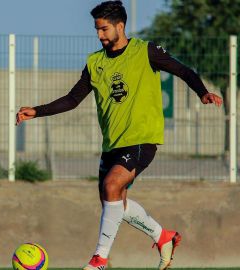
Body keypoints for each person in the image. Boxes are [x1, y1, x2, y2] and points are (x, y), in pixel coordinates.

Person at [16, 1, 222, 270]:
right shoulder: (95, 62)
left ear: (120, 26)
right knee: (114, 201)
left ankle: (99, 259)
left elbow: (183, 70)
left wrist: (201, 92)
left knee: (112, 186)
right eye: (96, 30)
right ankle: (163, 237)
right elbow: (72, 99)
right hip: (112, 142)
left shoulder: (145, 51)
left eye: (104, 29)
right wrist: (37, 111)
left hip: (141, 138)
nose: (99, 35)